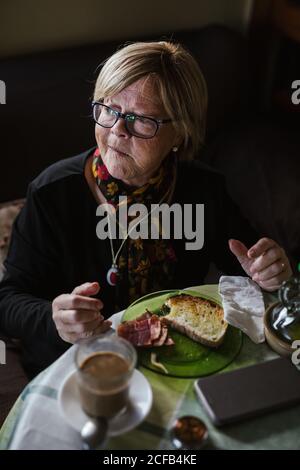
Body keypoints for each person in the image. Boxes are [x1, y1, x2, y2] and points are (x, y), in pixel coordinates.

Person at [0, 41, 292, 377]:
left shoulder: (205, 190)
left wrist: (270, 274)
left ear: (179, 132)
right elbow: (8, 299)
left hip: (174, 356)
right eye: (109, 109)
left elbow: (249, 267)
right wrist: (53, 318)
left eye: (140, 120)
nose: (117, 130)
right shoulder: (52, 194)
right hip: (79, 361)